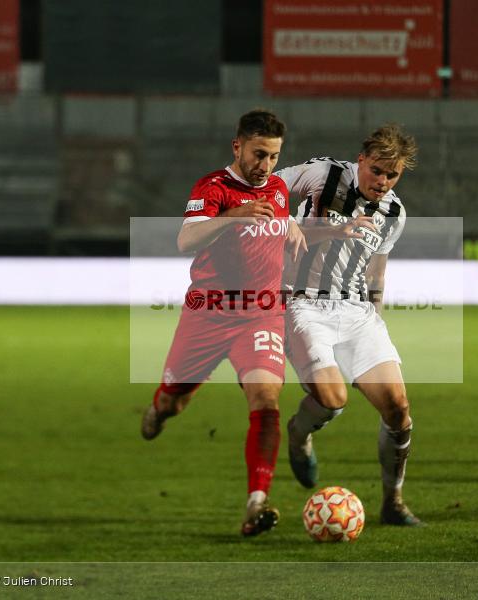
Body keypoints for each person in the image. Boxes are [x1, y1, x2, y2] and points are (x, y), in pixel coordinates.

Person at [140, 109, 307, 537]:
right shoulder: (212, 187)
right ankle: (160, 407)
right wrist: (234, 215)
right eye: (258, 154)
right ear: (237, 147)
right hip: (209, 314)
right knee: (174, 400)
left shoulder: (277, 189)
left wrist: (292, 227)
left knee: (266, 399)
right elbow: (186, 240)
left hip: (261, 314)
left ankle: (257, 502)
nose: (265, 165)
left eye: (273, 156)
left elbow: (276, 219)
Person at [274, 124, 423, 526]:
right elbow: (267, 186)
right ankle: (298, 434)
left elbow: (376, 273)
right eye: (377, 170)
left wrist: (376, 323)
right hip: (302, 303)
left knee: (398, 408)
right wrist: (288, 221)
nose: (383, 181)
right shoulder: (324, 174)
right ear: (361, 160)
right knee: (332, 399)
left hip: (356, 312)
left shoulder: (394, 213)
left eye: (392, 175)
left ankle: (393, 502)